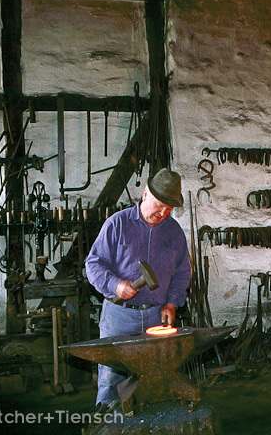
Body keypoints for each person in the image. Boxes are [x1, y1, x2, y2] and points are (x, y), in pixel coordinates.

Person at [85, 168, 192, 408]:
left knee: (155, 375)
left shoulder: (174, 232)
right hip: (119, 316)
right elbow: (93, 264)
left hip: (156, 316)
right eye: (158, 205)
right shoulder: (117, 224)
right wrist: (115, 285)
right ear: (145, 195)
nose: (162, 213)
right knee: (112, 378)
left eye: (168, 209)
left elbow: (183, 272)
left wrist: (172, 303)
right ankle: (108, 423)